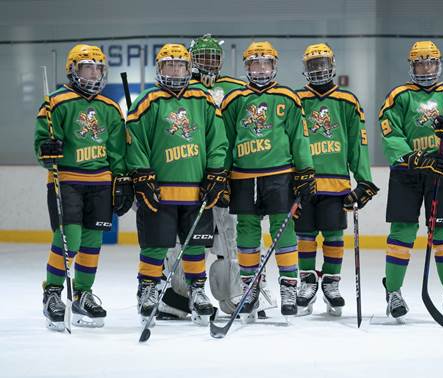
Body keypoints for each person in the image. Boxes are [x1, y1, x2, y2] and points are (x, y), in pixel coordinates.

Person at [125, 43, 228, 326]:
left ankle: (196, 289)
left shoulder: (203, 99)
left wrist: (216, 172)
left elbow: (217, 140)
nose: (175, 70)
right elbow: (135, 141)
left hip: (196, 190)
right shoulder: (148, 100)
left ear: (188, 68)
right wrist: (141, 174)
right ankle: (147, 288)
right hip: (160, 191)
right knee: (156, 244)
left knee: (196, 244)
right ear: (159, 68)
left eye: (180, 65)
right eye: (169, 65)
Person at [35, 44, 133, 331]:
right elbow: (42, 143)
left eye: (98, 67)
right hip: (67, 182)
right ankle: (52, 292)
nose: (93, 72)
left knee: (92, 243)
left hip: (100, 184)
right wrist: (47, 149)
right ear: (73, 69)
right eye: (87, 67)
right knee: (70, 240)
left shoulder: (110, 107)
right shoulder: (56, 102)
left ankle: (82, 293)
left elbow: (116, 150)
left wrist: (122, 179)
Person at [378, 40, 443, 323]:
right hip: (407, 174)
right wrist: (413, 157)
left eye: (430, 62)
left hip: (442, 174)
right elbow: (390, 133)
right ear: (412, 66)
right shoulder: (400, 95)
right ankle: (393, 292)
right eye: (420, 62)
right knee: (402, 234)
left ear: (438, 64)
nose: (426, 68)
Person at [220, 41, 316, 321]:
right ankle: (250, 287)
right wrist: (219, 174)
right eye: (254, 63)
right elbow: (225, 140)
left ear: (274, 66)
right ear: (247, 67)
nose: (260, 69)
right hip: (243, 176)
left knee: (283, 228)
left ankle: (288, 286)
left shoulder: (288, 97)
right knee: (247, 230)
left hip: (279, 174)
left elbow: (300, 137)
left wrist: (305, 170)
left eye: (265, 63)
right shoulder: (234, 100)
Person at [295, 43, 378, 316]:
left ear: (331, 65)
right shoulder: (296, 100)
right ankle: (307, 282)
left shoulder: (347, 101)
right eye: (312, 65)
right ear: (305, 69)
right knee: (305, 235)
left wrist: (364, 180)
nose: (318, 70)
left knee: (332, 235)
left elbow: (358, 143)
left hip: (335, 184)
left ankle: (331, 282)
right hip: (305, 183)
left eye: (322, 64)